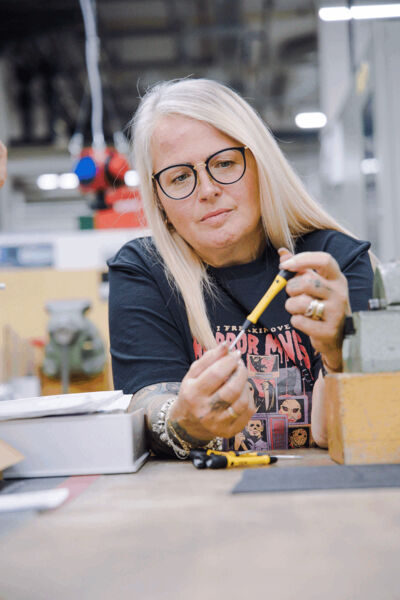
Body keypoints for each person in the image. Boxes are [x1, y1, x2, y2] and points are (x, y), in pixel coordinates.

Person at [108, 78, 373, 457]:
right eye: (180, 176)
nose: (207, 189)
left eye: (225, 163)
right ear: (159, 200)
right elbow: (147, 406)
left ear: (260, 165)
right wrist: (184, 421)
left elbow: (345, 434)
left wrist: (337, 350)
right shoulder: (145, 271)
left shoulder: (332, 264)